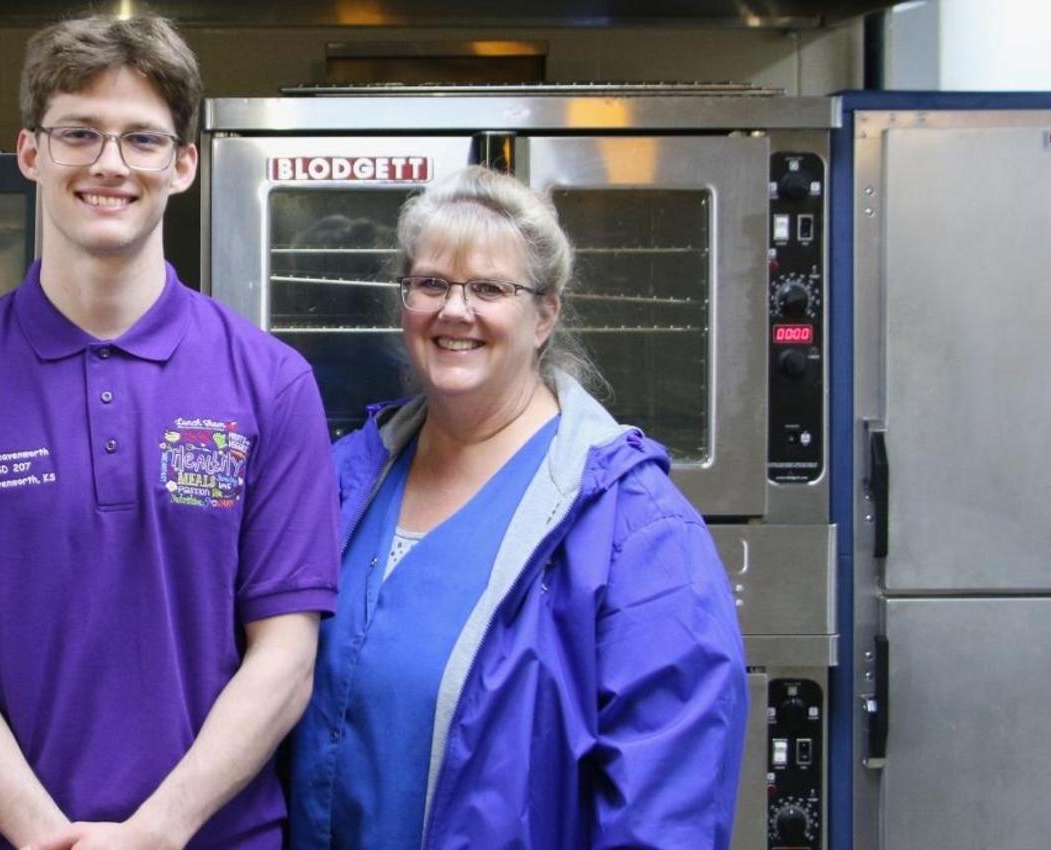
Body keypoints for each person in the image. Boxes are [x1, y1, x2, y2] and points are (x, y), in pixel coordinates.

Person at [0, 13, 339, 850]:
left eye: (143, 139)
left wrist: (158, 833)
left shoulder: (271, 385)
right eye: (78, 134)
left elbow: (286, 657)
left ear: (185, 164)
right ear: (30, 153)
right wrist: (45, 836)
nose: (110, 165)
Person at [288, 166, 748, 850]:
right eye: (431, 283)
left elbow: (665, 814)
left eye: (490, 289)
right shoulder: (347, 480)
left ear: (545, 314)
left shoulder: (636, 529)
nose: (454, 310)